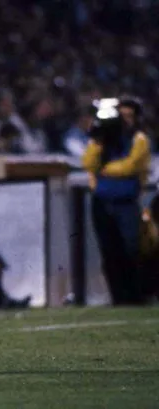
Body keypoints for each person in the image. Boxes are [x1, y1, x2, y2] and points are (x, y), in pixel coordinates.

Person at [82, 96, 152, 305]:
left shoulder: (138, 139)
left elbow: (131, 166)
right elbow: (88, 163)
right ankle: (118, 297)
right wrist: (98, 140)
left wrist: (105, 170)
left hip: (126, 202)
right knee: (109, 251)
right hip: (102, 202)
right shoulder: (103, 139)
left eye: (130, 116)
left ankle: (136, 295)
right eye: (122, 116)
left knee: (131, 248)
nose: (126, 120)